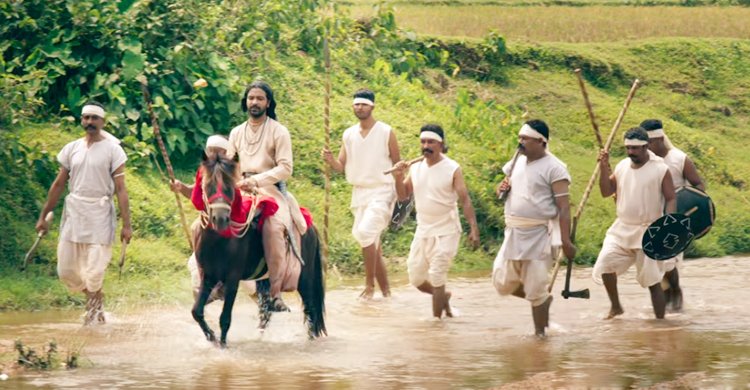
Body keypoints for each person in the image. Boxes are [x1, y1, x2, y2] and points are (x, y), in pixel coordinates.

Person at [35, 102, 131, 325]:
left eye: (94, 118)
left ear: (102, 122)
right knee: (66, 271)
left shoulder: (113, 150)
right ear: (81, 120)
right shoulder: (72, 148)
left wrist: (127, 225)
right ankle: (95, 299)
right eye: (86, 118)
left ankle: (94, 314)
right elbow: (59, 184)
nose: (89, 122)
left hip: (100, 214)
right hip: (75, 214)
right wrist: (43, 216)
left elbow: (121, 189)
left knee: (95, 271)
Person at [226, 80, 307, 312]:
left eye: (260, 98)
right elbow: (231, 164)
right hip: (242, 189)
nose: (254, 102)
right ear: (246, 102)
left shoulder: (279, 131)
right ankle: (216, 280)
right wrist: (236, 183)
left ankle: (274, 293)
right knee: (218, 220)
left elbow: (285, 168)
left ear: (268, 103)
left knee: (272, 227)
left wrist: (257, 180)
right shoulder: (236, 132)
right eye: (251, 98)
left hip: (270, 190)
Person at [491, 120, 576, 338]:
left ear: (541, 142)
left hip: (540, 235)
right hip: (513, 232)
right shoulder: (516, 160)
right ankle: (541, 300)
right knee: (501, 282)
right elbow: (503, 190)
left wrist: (566, 242)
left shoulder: (555, 167)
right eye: (519, 137)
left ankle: (540, 338)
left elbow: (564, 208)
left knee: (536, 286)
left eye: (525, 138)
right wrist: (501, 189)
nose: (520, 142)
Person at [391, 124, 480, 318]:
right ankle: (442, 297)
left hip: (447, 229)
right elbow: (403, 196)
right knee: (416, 278)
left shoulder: (453, 168)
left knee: (437, 274)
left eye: (431, 142)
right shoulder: (415, 167)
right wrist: (398, 177)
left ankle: (436, 325)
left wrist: (474, 229)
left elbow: (465, 199)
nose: (426, 145)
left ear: (441, 144)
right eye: (423, 142)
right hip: (424, 229)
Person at [322, 88, 401, 299]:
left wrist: (402, 193)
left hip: (382, 191)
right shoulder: (348, 134)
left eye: (364, 104)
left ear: (372, 106)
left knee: (366, 233)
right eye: (356, 104)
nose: (360, 107)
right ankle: (387, 293)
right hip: (359, 193)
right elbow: (341, 166)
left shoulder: (386, 132)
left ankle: (369, 286)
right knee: (370, 242)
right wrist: (331, 161)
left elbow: (397, 164)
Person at [593, 127, 676, 320]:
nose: (631, 152)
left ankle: (660, 323)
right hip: (621, 230)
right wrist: (603, 168)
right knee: (605, 266)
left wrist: (667, 226)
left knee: (652, 281)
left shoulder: (660, 169)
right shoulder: (622, 166)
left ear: (646, 146)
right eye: (628, 148)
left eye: (635, 148)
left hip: (650, 231)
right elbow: (606, 192)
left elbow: (671, 198)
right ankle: (616, 307)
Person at [170, 135, 256, 303]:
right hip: (209, 221)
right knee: (196, 235)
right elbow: (198, 194)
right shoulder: (204, 171)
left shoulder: (231, 169)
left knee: (244, 276)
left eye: (218, 151)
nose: (213, 155)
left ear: (226, 153)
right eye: (210, 151)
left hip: (229, 220)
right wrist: (181, 188)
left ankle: (260, 300)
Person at [642, 119, 705, 312]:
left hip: (675, 220)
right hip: (651, 219)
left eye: (650, 143)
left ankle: (675, 293)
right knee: (654, 264)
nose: (648, 147)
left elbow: (699, 186)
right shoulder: (645, 161)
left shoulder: (680, 159)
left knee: (669, 262)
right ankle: (667, 303)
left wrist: (687, 207)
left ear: (660, 138)